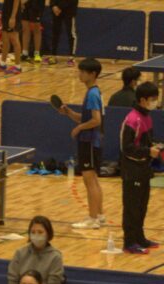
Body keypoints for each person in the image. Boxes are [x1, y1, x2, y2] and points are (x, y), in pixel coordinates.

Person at [55, 58, 104, 229]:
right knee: (93, 180)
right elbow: (86, 118)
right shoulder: (94, 92)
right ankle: (99, 215)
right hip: (92, 141)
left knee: (89, 181)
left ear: (93, 74)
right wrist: (69, 113)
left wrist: (79, 128)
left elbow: (96, 120)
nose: (80, 74)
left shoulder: (92, 94)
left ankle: (93, 219)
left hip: (88, 142)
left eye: (83, 72)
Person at [119, 82, 162, 255]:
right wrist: (147, 151)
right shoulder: (132, 119)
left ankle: (139, 237)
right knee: (132, 207)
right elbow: (126, 147)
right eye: (153, 99)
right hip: (132, 169)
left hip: (144, 168)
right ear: (143, 100)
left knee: (142, 205)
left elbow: (145, 142)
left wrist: (155, 147)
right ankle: (129, 242)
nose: (155, 102)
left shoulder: (147, 117)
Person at [8, 216, 65, 284]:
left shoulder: (55, 256)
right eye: (33, 232)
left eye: (40, 232)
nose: (36, 235)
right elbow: (12, 282)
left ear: (48, 234)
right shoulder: (20, 253)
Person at [0, 0, 22, 74]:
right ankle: (2, 64)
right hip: (6, 11)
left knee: (14, 39)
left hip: (12, 14)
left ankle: (17, 66)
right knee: (5, 39)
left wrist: (13, 17)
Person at [46, 0, 77, 66]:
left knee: (71, 33)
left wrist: (59, 7)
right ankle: (53, 55)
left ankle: (71, 57)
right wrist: (53, 5)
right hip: (56, 10)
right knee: (55, 33)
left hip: (69, 10)